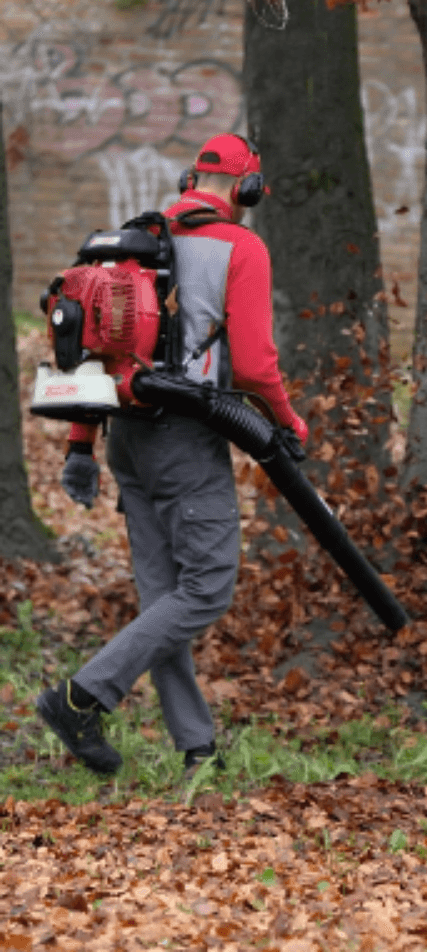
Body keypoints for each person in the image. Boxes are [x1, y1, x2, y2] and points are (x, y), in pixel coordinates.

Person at [36, 133, 308, 778]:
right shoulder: (241, 246)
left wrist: (81, 448)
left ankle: (197, 751)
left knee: (164, 601)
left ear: (192, 180)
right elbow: (257, 364)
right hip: (187, 438)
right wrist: (289, 422)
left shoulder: (136, 242)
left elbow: (100, 349)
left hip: (125, 438)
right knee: (207, 590)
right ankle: (80, 697)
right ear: (247, 189)